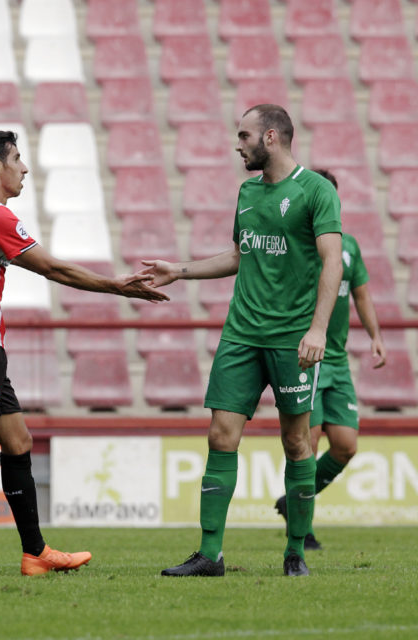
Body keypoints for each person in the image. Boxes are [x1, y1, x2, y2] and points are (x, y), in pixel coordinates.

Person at [0, 130, 170, 578]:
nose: (24, 167)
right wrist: (115, 286)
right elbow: (51, 267)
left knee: (17, 443)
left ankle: (35, 553)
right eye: (16, 158)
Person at [143, 104, 343, 578]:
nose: (238, 144)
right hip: (241, 334)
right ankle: (209, 554)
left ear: (271, 137)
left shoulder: (316, 192)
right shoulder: (247, 191)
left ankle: (295, 550)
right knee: (220, 435)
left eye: (244, 135)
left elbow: (332, 262)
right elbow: (239, 255)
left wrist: (317, 329)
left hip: (291, 339)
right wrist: (180, 270)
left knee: (297, 443)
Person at [273, 169, 386, 550]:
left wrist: (375, 336)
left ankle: (293, 503)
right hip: (306, 357)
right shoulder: (296, 243)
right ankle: (303, 531)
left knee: (346, 445)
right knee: (309, 443)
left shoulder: (348, 246)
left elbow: (363, 296)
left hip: (337, 361)